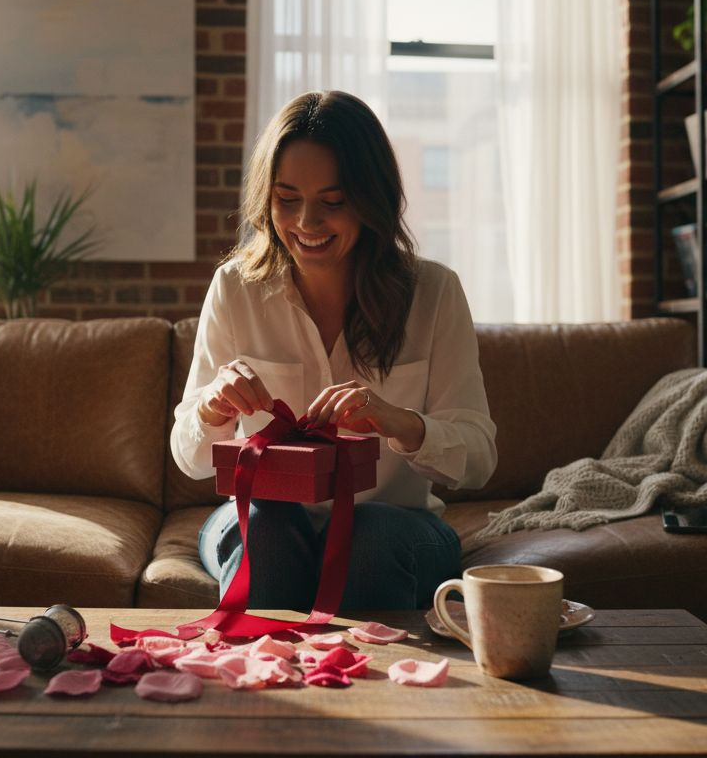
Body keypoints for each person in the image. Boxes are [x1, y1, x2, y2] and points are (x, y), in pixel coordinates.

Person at [170, 90, 498, 612]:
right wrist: (211, 405)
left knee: (366, 537)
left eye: (333, 201)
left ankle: (364, 690)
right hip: (263, 516)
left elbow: (479, 460)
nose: (306, 222)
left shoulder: (433, 292)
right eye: (286, 198)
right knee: (269, 530)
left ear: (371, 199)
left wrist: (400, 423)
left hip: (395, 524)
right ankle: (260, 690)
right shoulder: (235, 288)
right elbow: (188, 459)